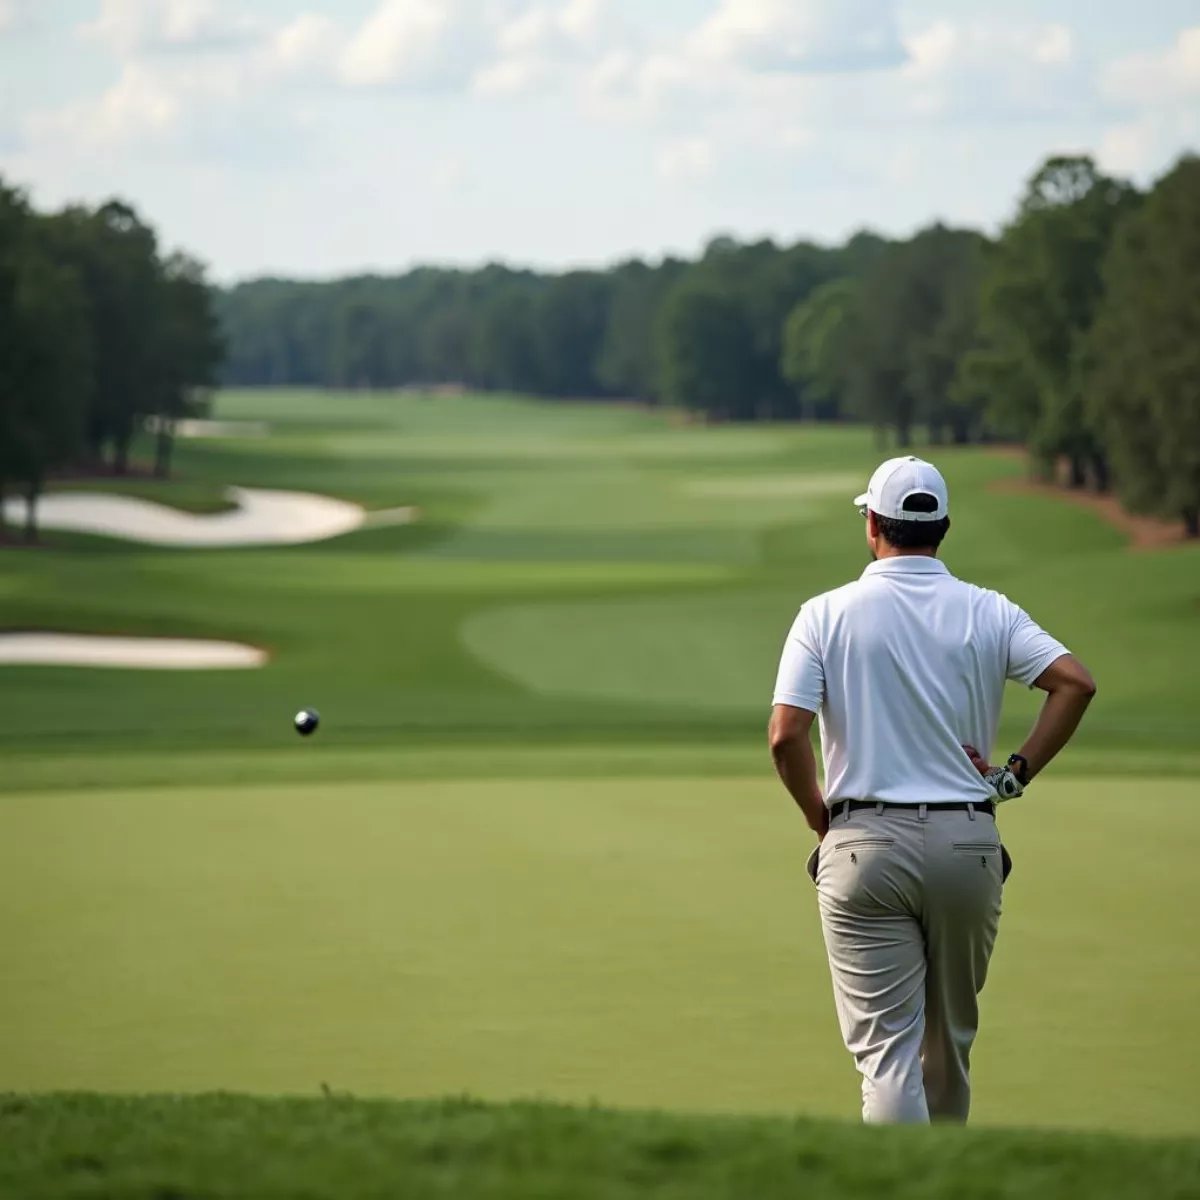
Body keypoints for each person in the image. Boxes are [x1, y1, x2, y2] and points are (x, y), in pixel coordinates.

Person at [768, 455, 1096, 1124]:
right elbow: (1074, 682)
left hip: (864, 846)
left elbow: (785, 735)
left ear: (872, 526)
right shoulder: (989, 610)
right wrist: (1014, 773)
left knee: (889, 1058)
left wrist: (819, 820)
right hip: (969, 848)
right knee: (949, 1048)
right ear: (943, 526)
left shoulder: (824, 615)